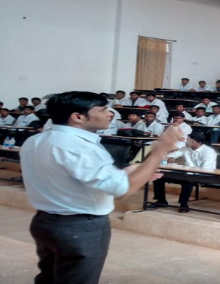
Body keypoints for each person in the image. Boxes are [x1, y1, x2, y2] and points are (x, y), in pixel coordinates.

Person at [21, 91, 180, 284]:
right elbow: (123, 190)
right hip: (79, 227)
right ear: (78, 117)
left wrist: (127, 172)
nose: (110, 113)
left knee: (50, 278)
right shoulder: (80, 146)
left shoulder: (36, 140)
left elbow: (71, 177)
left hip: (45, 222)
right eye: (103, 109)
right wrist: (160, 149)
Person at [154, 133, 217, 213]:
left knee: (188, 180)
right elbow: (173, 154)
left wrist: (189, 171)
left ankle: (183, 204)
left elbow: (206, 169)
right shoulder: (186, 148)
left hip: (203, 175)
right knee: (159, 176)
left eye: (188, 140)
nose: (185, 141)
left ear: (197, 142)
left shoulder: (209, 152)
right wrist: (171, 157)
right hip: (187, 173)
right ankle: (161, 200)